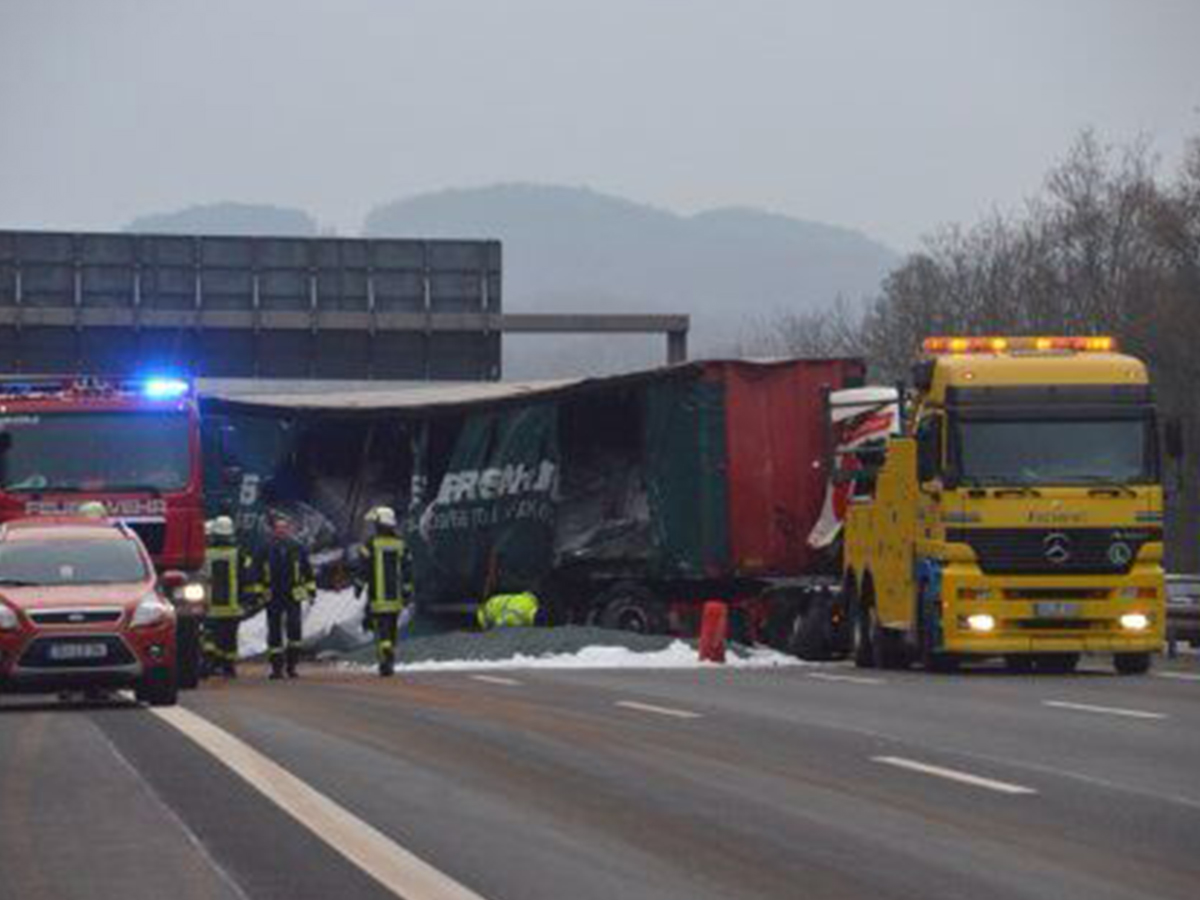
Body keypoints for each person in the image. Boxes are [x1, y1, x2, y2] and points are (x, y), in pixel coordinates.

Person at [354, 506, 413, 677]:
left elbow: (362, 567)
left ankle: (385, 657)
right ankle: (389, 658)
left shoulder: (371, 543)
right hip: (395, 596)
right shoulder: (401, 543)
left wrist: (358, 585)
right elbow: (408, 568)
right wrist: (407, 591)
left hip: (377, 596)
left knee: (382, 628)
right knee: (392, 626)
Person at [201, 516, 261, 678]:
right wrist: (251, 600)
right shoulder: (239, 554)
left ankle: (210, 664)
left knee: (210, 638)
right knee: (229, 639)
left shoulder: (204, 554)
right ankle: (228, 667)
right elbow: (249, 579)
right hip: (232, 608)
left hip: (210, 607)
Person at [262, 511, 315, 679]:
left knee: (294, 630)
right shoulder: (266, 548)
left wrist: (311, 590)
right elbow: (256, 571)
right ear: (273, 530)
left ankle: (292, 666)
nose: (282, 531)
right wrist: (257, 592)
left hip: (293, 594)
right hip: (274, 594)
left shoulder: (298, 548)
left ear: (290, 530)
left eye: (285, 528)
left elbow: (307, 571)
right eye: (278, 528)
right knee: (274, 631)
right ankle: (276, 668)